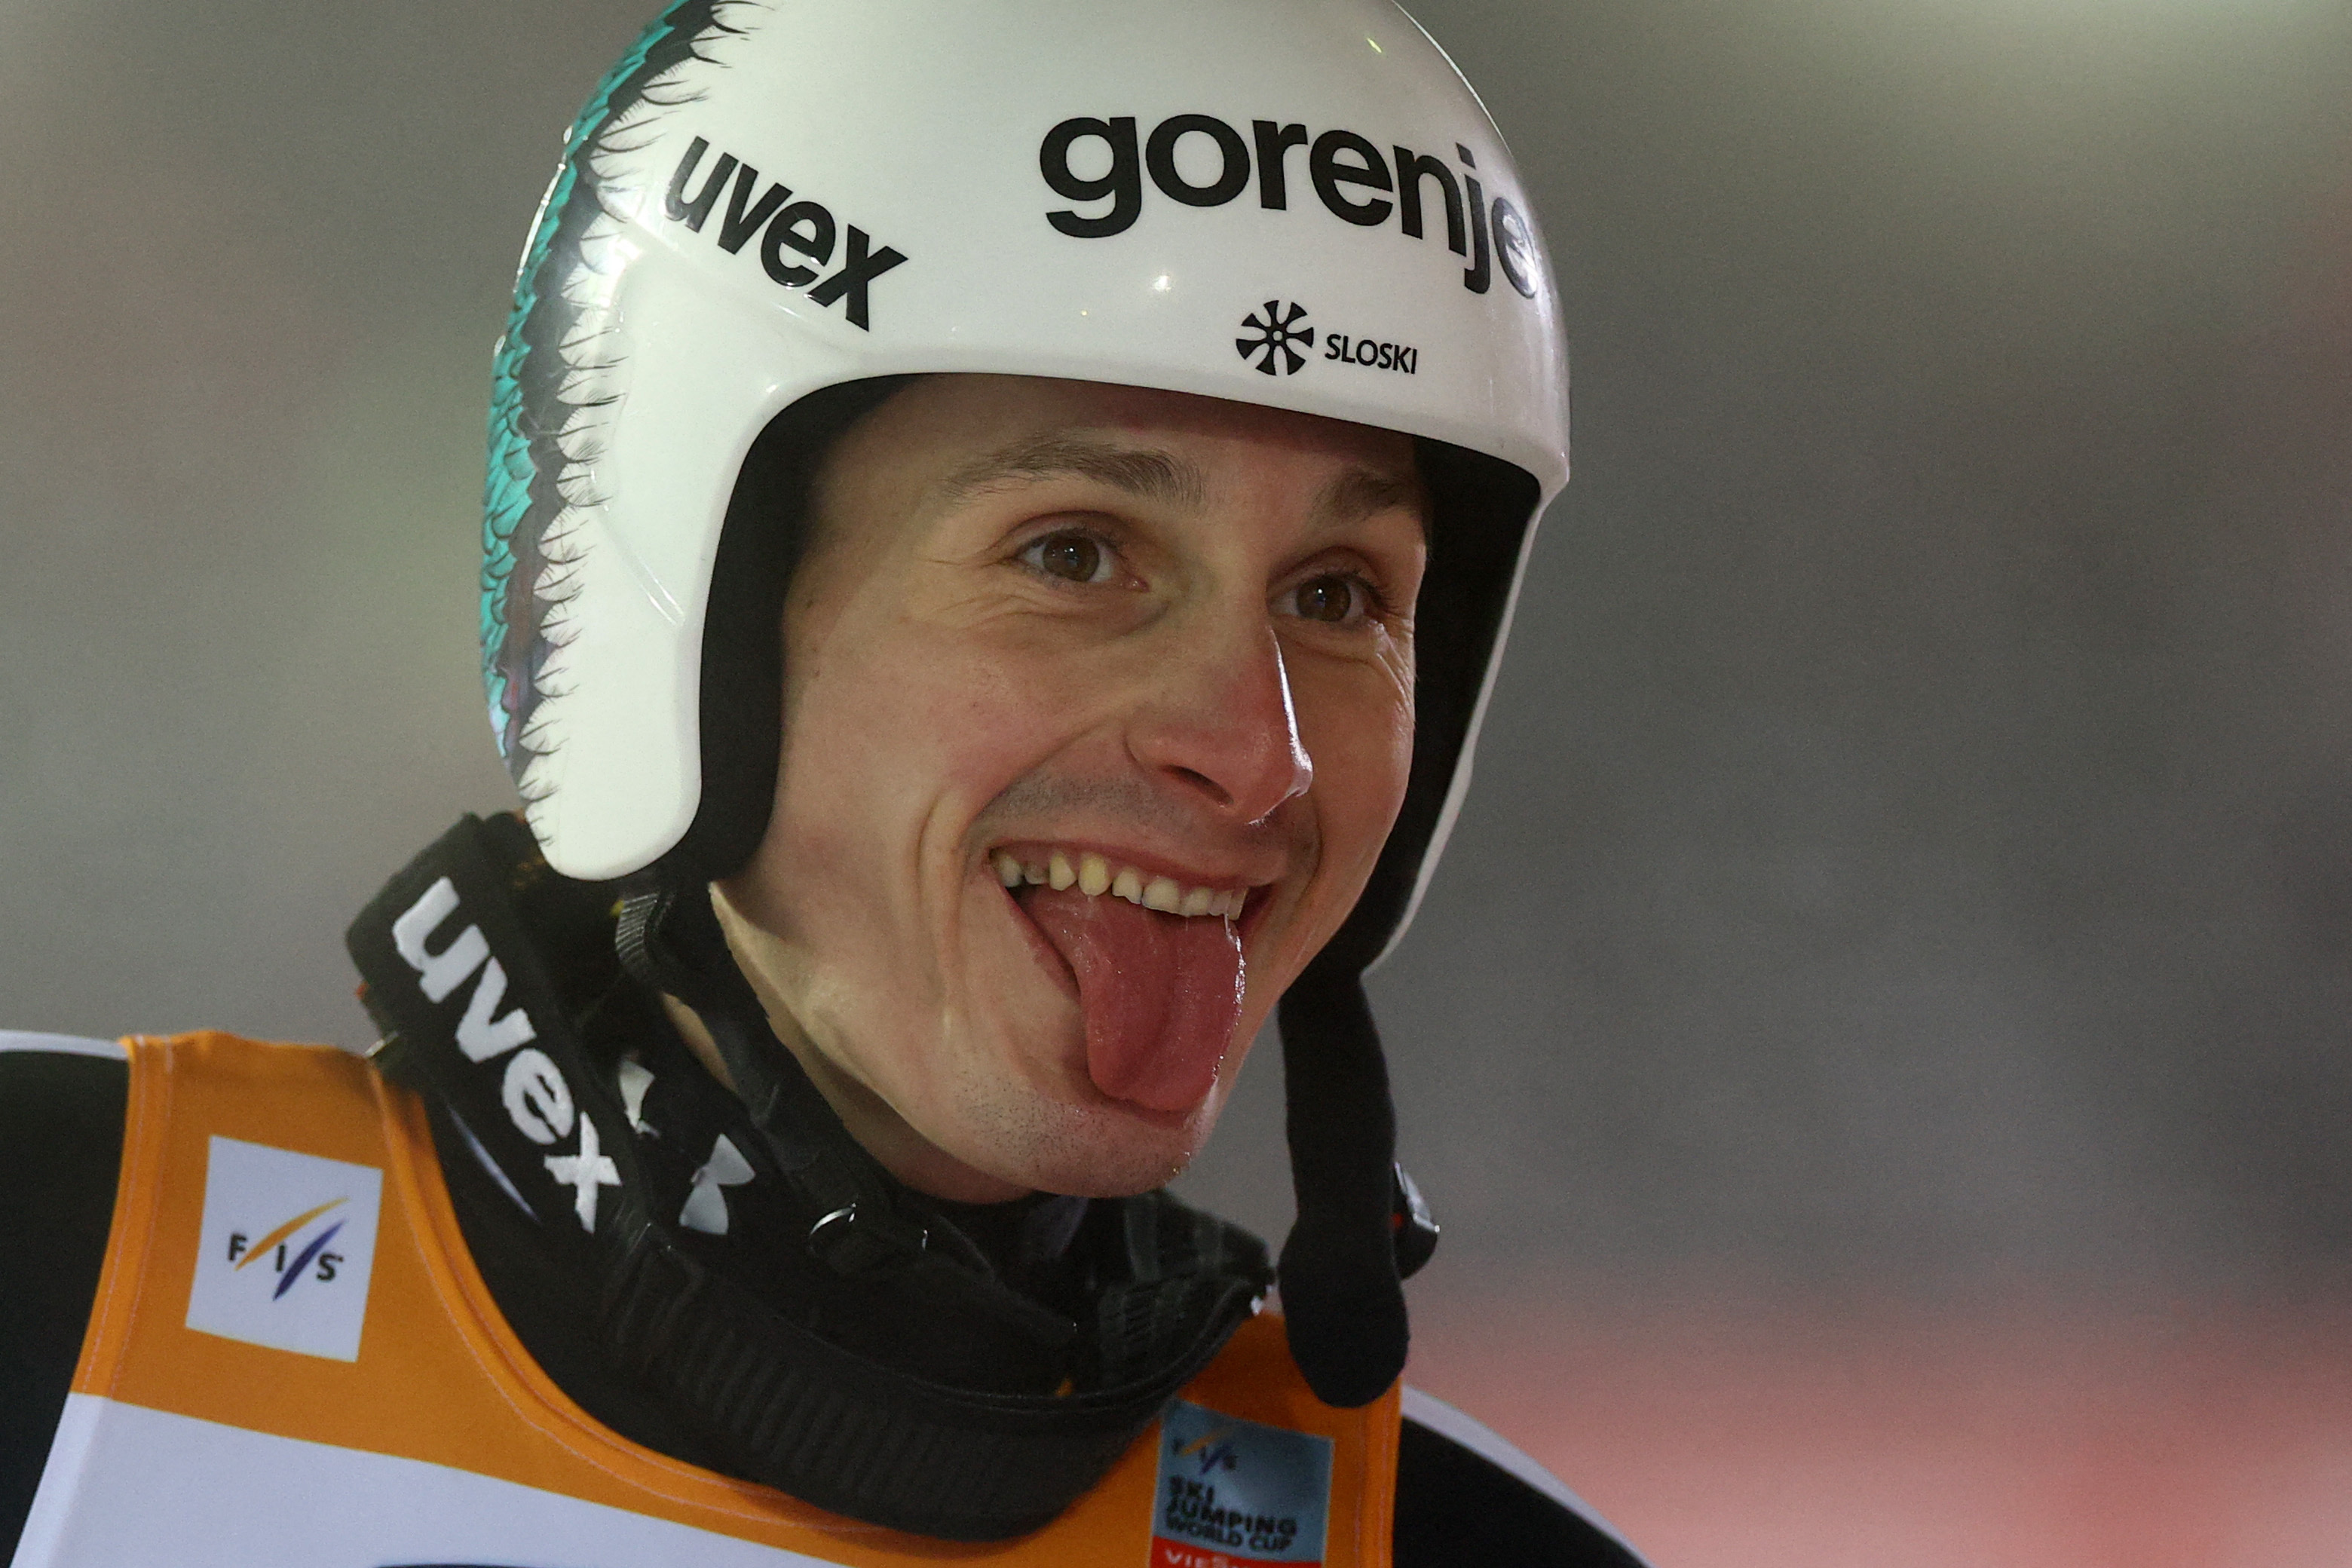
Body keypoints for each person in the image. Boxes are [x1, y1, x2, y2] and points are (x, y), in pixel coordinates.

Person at [0, 2, 1646, 1563]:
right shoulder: (52, 1276)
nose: (1257, 750)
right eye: (1074, 554)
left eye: (1339, 595)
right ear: (697, 602)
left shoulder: (1449, 1547)